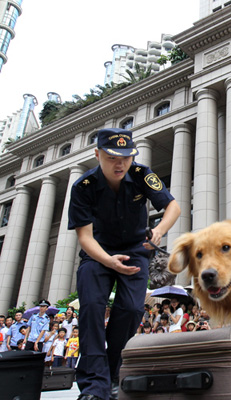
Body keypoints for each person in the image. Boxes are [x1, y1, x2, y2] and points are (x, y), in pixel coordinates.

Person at [67, 128, 181, 400]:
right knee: (92, 308)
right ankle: (94, 386)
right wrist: (108, 261)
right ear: (97, 155)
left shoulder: (143, 174)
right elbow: (84, 236)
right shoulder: (82, 187)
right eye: (111, 157)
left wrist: (160, 230)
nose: (120, 164)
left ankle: (112, 373)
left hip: (135, 250)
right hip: (98, 252)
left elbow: (173, 206)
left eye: (126, 157)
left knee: (131, 309)